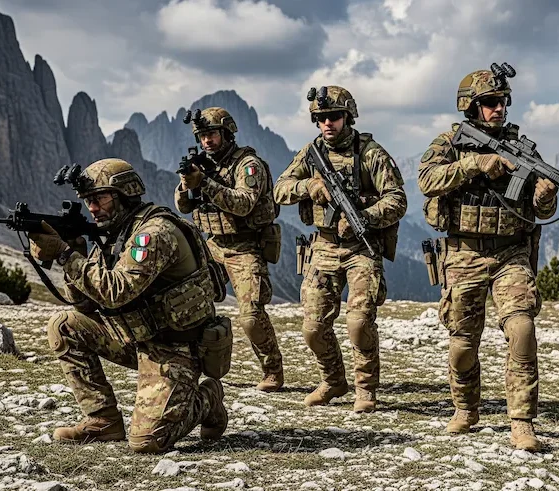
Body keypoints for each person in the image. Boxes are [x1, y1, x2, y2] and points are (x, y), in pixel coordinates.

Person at [30, 158, 229, 453]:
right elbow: (84, 305)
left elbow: (115, 292)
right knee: (64, 326)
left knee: (147, 442)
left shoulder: (154, 234)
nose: (93, 208)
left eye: (99, 199)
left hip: (177, 349)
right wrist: (76, 254)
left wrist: (64, 255)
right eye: (88, 201)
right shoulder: (114, 235)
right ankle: (102, 420)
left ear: (123, 194)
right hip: (137, 338)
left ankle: (208, 398)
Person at [417, 65, 558, 452]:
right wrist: (475, 164)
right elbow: (426, 180)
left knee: (522, 331)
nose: (498, 109)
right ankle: (466, 409)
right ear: (471, 107)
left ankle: (522, 422)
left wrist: (545, 197)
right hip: (464, 253)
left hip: (511, 252)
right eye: (490, 103)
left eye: (502, 102)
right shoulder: (450, 142)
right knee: (462, 343)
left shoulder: (522, 147)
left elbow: (539, 209)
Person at [274, 85, 406, 412]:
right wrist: (311, 186)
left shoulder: (371, 153)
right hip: (324, 246)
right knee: (313, 327)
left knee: (359, 322)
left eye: (333, 117)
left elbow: (397, 199)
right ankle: (333, 380)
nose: (327, 124)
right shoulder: (311, 153)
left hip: (362, 246)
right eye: (320, 118)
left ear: (347, 116)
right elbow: (280, 189)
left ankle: (365, 389)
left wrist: (366, 216)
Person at [175, 107, 284, 391]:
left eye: (211, 134)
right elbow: (184, 207)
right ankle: (192, 367)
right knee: (186, 304)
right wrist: (186, 186)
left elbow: (244, 203)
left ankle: (272, 370)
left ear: (226, 133)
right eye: (202, 136)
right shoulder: (201, 164)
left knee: (251, 315)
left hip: (245, 246)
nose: (206, 141)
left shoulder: (248, 165)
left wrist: (206, 184)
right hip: (212, 245)